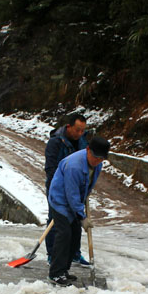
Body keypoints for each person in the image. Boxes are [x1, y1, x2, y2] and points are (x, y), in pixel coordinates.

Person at [47, 135, 110, 286]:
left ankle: (64, 271)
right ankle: (55, 273)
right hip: (60, 201)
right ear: (88, 149)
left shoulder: (98, 165)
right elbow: (71, 193)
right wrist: (82, 216)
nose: (97, 161)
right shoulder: (74, 165)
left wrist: (85, 196)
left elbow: (86, 185)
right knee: (64, 235)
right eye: (95, 157)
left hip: (74, 201)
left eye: (101, 158)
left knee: (75, 236)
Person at [43, 114, 92, 266]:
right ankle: (52, 254)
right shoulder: (55, 142)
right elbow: (50, 168)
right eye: (77, 130)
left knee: (76, 221)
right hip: (56, 189)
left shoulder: (83, 142)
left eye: (83, 130)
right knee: (56, 221)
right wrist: (57, 190)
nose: (80, 134)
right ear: (69, 127)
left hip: (76, 189)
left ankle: (74, 254)